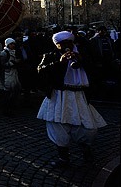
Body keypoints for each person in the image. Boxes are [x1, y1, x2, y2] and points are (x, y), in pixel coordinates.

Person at [36, 30, 107, 167]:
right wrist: (59, 62)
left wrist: (82, 60)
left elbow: (97, 69)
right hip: (59, 96)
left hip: (79, 95)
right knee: (58, 126)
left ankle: (87, 152)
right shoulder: (49, 56)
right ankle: (63, 158)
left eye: (68, 43)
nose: (65, 46)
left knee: (88, 127)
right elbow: (41, 71)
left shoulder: (82, 54)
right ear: (57, 45)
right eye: (61, 44)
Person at [0, 37, 22, 116]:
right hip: (7, 75)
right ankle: (6, 109)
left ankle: (12, 108)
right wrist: (13, 63)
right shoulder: (4, 53)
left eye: (13, 44)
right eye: (11, 44)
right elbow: (2, 65)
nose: (13, 45)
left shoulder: (14, 52)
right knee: (7, 93)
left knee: (14, 91)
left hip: (14, 74)